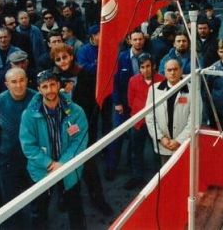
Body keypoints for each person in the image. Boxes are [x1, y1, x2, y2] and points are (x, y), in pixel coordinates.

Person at [19, 70, 88, 229]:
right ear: (39, 89)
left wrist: (63, 163)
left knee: (75, 208)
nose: (49, 90)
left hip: (69, 169)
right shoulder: (28, 115)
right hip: (41, 171)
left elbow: (80, 140)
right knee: (39, 212)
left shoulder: (76, 111)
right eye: (44, 86)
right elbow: (28, 146)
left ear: (58, 85)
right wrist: (49, 164)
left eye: (52, 85)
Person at [50, 43, 113, 216]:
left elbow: (94, 102)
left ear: (71, 56)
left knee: (89, 167)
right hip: (61, 131)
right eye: (58, 59)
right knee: (62, 165)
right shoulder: (52, 78)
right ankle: (64, 196)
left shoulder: (84, 74)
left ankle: (97, 199)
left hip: (83, 128)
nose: (62, 62)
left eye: (65, 57)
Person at [0, 68, 36, 216]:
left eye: (21, 80)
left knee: (36, 193)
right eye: (14, 82)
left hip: (32, 156)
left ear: (27, 80)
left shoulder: (36, 98)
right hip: (7, 157)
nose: (18, 85)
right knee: (10, 198)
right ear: (7, 84)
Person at [105, 30, 146, 180]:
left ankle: (131, 164)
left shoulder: (147, 58)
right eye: (135, 39)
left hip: (138, 105)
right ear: (129, 41)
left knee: (135, 137)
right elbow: (114, 82)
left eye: (140, 39)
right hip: (121, 104)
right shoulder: (121, 58)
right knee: (117, 136)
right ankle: (111, 167)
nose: (138, 42)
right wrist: (116, 102)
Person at [145, 58, 199, 165]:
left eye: (175, 69)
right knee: (165, 176)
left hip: (183, 144)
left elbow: (195, 120)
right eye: (169, 70)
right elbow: (149, 117)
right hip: (163, 145)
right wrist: (161, 138)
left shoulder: (193, 90)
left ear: (181, 70)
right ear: (164, 72)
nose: (172, 72)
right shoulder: (154, 90)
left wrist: (179, 140)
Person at [125, 53, 164, 190]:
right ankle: (138, 177)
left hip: (156, 121)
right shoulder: (133, 80)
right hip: (139, 121)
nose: (145, 70)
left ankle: (160, 177)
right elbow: (130, 101)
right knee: (136, 151)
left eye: (148, 66)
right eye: (142, 67)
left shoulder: (162, 79)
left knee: (157, 151)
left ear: (153, 66)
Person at [203, 39, 223, 130]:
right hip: (217, 108)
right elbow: (207, 91)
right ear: (218, 52)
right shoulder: (213, 69)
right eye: (221, 52)